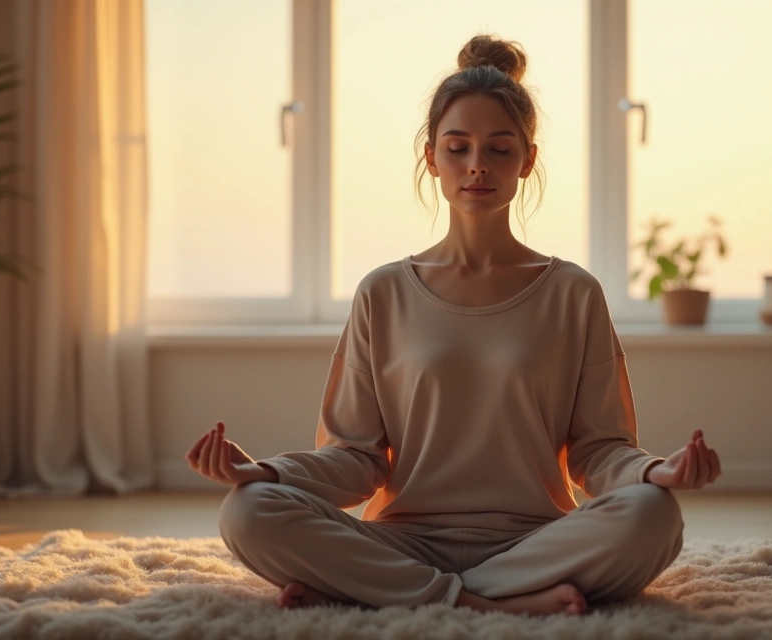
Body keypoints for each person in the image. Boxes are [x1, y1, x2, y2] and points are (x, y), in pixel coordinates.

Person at [187, 34, 722, 617]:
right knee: (247, 510)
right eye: (458, 147)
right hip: (403, 539)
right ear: (431, 157)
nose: (477, 165)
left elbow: (597, 452)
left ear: (527, 160)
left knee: (653, 515)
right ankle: (494, 600)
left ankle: (383, 590)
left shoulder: (574, 292)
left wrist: (656, 471)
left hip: (535, 541)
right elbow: (355, 458)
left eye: (499, 148)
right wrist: (263, 471)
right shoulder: (383, 292)